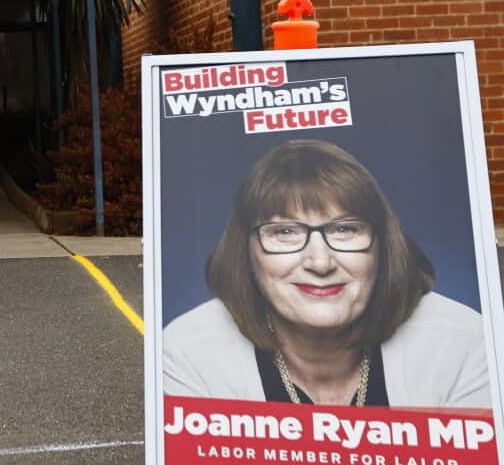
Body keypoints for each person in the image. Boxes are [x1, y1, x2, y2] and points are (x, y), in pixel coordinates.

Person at [163, 139, 490, 408]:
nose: (320, 263)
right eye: (285, 232)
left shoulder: (462, 342)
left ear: (384, 246)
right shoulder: (189, 352)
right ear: (246, 253)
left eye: (345, 229)